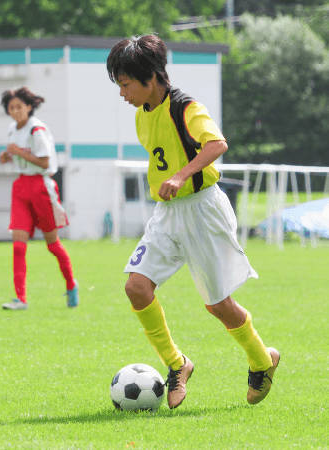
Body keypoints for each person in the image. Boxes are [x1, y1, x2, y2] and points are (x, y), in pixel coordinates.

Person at [106, 35, 280, 409]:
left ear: (151, 77)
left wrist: (182, 175)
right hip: (167, 214)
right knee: (136, 287)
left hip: (203, 210)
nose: (122, 93)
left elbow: (217, 144)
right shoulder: (142, 114)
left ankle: (262, 361)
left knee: (218, 305)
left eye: (126, 84)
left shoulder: (186, 107)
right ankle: (177, 364)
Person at [0, 87, 78, 310]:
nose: (15, 111)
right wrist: (7, 156)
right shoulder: (12, 129)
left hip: (41, 187)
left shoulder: (37, 130)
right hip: (21, 186)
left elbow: (45, 163)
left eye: (19, 107)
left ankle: (71, 284)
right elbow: (16, 154)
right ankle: (20, 299)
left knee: (52, 245)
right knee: (18, 247)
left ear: (29, 107)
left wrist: (19, 152)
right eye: (11, 107)